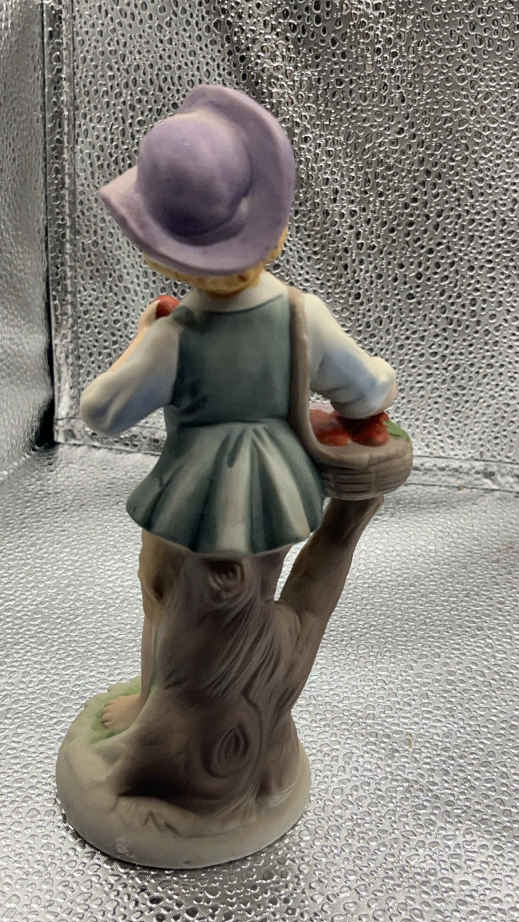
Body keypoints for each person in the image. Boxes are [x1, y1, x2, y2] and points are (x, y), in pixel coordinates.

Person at [80, 85, 397, 732]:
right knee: (250, 599)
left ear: (160, 250)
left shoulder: (173, 338)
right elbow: (366, 389)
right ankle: (216, 714)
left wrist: (143, 336)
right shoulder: (303, 317)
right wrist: (374, 391)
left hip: (188, 498)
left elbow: (101, 412)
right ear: (272, 230)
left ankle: (159, 709)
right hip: (272, 496)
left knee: (162, 596)